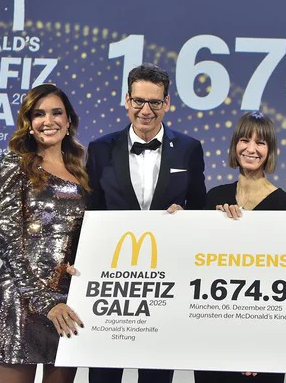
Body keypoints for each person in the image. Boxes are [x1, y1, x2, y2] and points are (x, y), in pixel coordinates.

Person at [86, 63, 207, 383]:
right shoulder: (100, 149)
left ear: (167, 103)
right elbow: (91, 212)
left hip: (165, 281)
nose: (146, 110)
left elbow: (200, 208)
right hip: (111, 284)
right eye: (139, 101)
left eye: (154, 102)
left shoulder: (189, 149)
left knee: (156, 374)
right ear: (127, 100)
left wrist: (186, 218)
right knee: (104, 373)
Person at [0, 84, 89, 383]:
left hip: (69, 300)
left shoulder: (81, 172)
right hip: (23, 299)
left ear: (68, 120)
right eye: (39, 114)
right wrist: (45, 301)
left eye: (57, 113)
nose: (49, 121)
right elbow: (9, 243)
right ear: (28, 122)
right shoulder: (12, 165)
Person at [194, 111, 286, 383]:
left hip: (262, 337)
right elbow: (198, 263)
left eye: (260, 142)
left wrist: (258, 344)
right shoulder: (214, 197)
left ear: (269, 150)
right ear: (234, 146)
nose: (251, 149)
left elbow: (282, 279)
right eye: (244, 140)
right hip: (214, 334)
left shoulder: (283, 203)